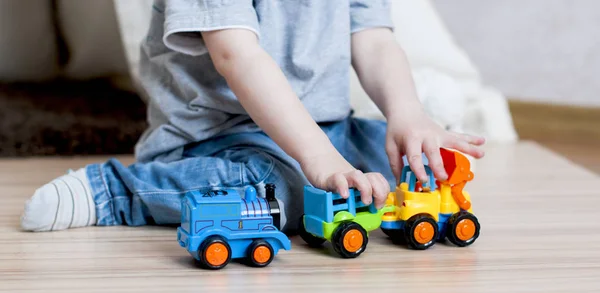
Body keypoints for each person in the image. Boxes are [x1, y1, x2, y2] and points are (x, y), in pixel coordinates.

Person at [21, 0, 485, 233]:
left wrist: (406, 112)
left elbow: (374, 40)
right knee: (275, 190)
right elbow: (235, 56)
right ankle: (115, 192)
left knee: (400, 159)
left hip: (329, 128)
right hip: (226, 136)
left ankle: (413, 120)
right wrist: (319, 161)